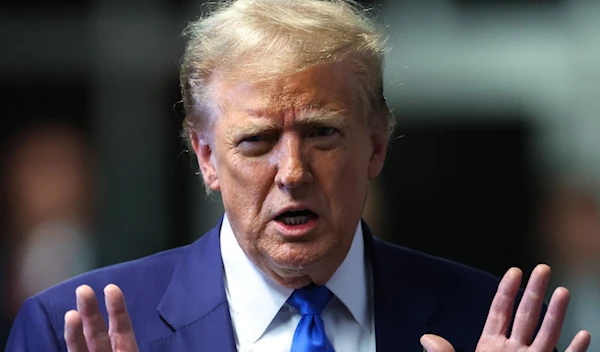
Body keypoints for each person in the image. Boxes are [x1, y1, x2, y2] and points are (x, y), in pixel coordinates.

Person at [5, 0, 591, 351]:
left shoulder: (490, 324)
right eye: (256, 141)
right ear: (207, 158)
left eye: (321, 133)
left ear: (377, 145)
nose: (292, 172)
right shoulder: (68, 331)